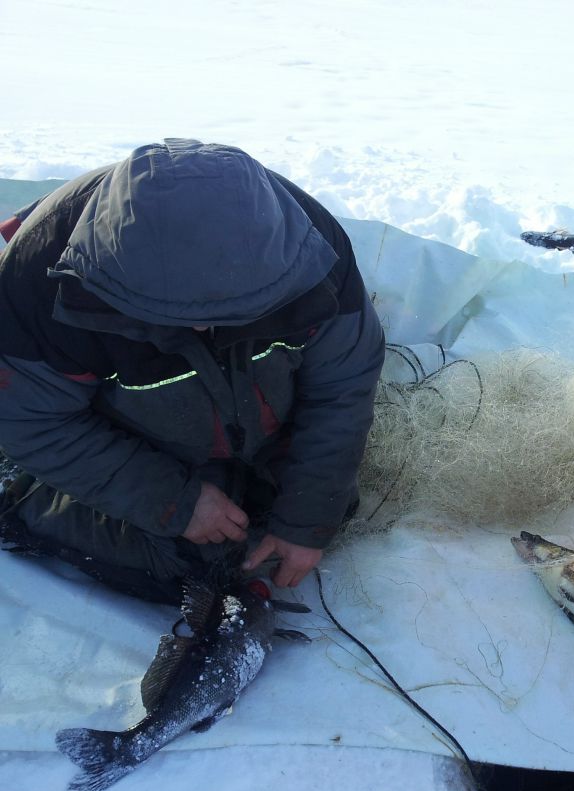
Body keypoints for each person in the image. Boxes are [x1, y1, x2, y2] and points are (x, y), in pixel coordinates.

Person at [0, 139, 385, 603]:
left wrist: (307, 522)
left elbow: (342, 387)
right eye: (176, 310)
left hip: (256, 421)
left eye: (228, 307)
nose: (203, 326)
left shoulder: (312, 249)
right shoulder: (35, 281)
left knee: (328, 507)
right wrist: (174, 501)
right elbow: (33, 421)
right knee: (191, 562)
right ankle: (28, 496)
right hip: (135, 443)